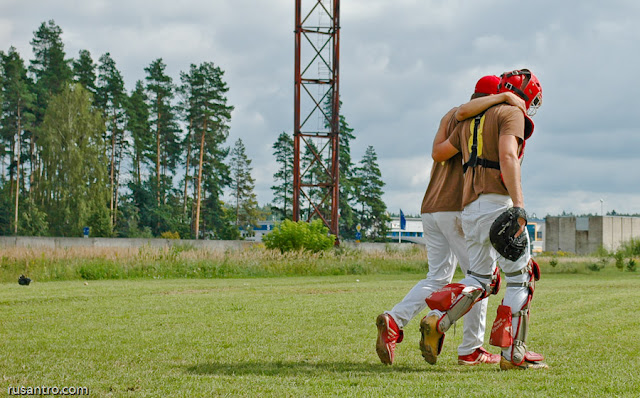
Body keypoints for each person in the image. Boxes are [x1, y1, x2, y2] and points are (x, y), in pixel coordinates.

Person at [375, 75, 526, 366]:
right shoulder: (479, 121)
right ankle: (471, 349)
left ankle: (394, 321)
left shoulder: (451, 115)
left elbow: (437, 152)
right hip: (457, 207)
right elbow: (447, 152)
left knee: (438, 277)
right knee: (481, 278)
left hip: (430, 207)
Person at [424, 68, 548, 370]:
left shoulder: (469, 119)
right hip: (498, 204)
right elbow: (507, 156)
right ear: (524, 94)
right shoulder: (511, 113)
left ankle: (439, 321)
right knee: (521, 279)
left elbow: (443, 150)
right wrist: (519, 205)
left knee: (480, 279)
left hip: (469, 209)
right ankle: (513, 355)